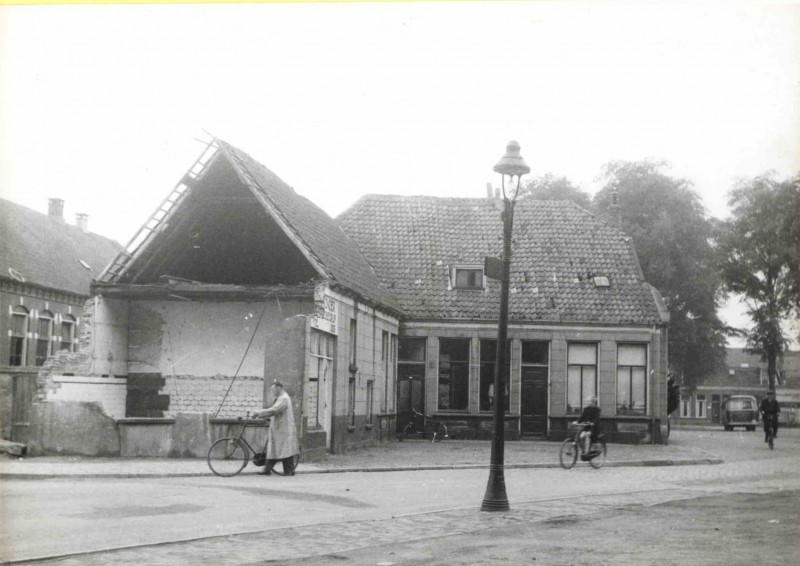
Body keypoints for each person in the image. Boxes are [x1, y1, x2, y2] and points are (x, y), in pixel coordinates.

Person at [253, 381, 299, 476]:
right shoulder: (281, 398)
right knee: (279, 449)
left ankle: (285, 470)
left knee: (281, 450)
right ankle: (287, 470)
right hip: (280, 428)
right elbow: (276, 412)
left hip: (283, 429)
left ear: (279, 388)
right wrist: (266, 416)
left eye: (273, 389)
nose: (272, 392)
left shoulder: (284, 399)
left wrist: (259, 413)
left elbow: (274, 410)